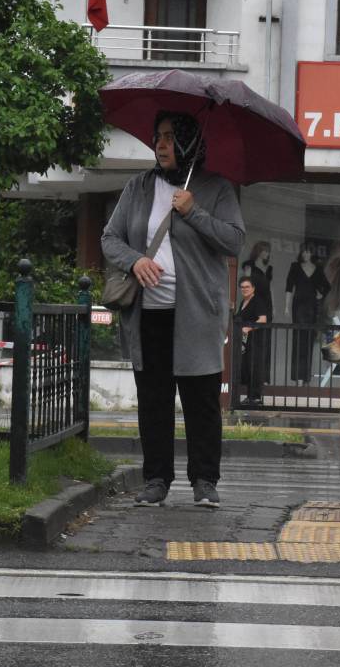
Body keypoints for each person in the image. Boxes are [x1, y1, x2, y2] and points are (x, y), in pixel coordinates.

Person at [100, 111, 245, 508]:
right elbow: (109, 238)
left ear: (187, 142)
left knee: (201, 401)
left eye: (169, 137)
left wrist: (194, 212)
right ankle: (156, 480)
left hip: (197, 316)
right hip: (148, 315)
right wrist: (135, 260)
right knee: (153, 400)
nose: (161, 145)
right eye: (157, 137)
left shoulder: (215, 189)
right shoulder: (138, 187)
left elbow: (234, 241)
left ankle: (204, 482)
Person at [284, 242, 330, 384]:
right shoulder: (295, 266)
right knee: (298, 339)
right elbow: (289, 287)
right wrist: (286, 306)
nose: (306, 254)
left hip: (311, 306)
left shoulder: (318, 269)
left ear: (311, 253)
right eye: (304, 252)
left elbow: (327, 286)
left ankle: (306, 378)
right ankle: (297, 377)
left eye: (308, 252)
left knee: (309, 340)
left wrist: (320, 295)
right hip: (298, 306)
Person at [237, 276, 270, 404]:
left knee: (255, 367)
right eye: (242, 287)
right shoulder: (243, 302)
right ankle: (250, 396)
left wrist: (248, 328)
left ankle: (256, 397)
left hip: (256, 340)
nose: (244, 289)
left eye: (247, 287)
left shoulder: (257, 301)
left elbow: (263, 319)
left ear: (253, 288)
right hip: (246, 342)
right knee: (248, 367)